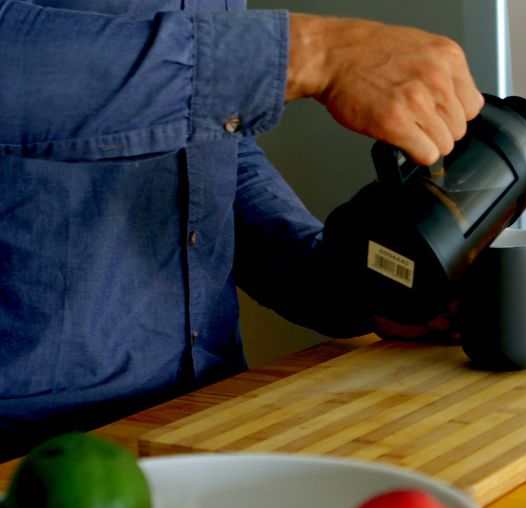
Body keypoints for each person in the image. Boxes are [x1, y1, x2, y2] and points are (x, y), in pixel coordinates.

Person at [0, 0, 485, 458]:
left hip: (209, 415)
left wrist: (336, 283)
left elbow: (205, 140)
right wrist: (312, 52)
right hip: (30, 454)